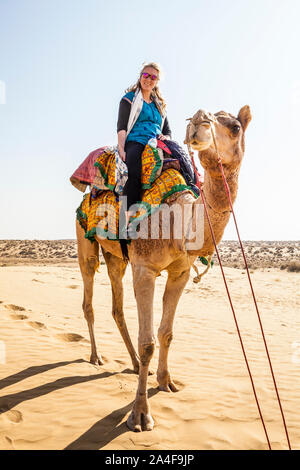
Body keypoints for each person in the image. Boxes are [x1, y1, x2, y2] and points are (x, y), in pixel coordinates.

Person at [117, 62, 172, 228]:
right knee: (134, 175)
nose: (149, 79)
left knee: (185, 170)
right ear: (140, 76)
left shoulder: (160, 105)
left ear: (157, 81)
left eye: (153, 77)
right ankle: (124, 223)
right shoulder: (129, 99)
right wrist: (121, 148)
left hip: (157, 142)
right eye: (146, 75)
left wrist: (166, 136)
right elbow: (122, 126)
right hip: (136, 141)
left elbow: (168, 130)